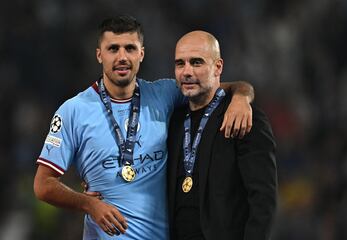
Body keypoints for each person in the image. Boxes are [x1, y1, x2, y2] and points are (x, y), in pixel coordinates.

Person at [33, 15, 254, 240]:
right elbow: (43, 185)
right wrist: (89, 204)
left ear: (141, 54)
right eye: (113, 49)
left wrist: (241, 97)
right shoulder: (73, 111)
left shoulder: (165, 94)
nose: (122, 57)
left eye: (130, 48)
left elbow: (215, 88)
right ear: (99, 55)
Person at [167, 31, 277, 240]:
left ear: (218, 67)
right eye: (180, 63)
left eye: (196, 63)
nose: (186, 72)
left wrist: (242, 96)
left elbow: (263, 200)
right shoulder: (173, 121)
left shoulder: (244, 117)